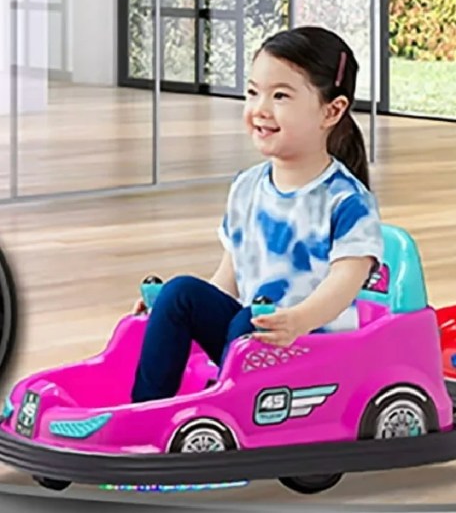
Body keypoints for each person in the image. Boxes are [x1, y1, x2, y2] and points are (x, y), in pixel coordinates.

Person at [130, 26, 383, 403]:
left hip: (311, 348)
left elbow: (343, 286)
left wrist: (298, 320)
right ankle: (146, 407)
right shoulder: (247, 187)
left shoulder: (346, 201)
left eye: (280, 95)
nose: (259, 109)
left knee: (250, 320)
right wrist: (166, 308)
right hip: (250, 339)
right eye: (253, 92)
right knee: (180, 292)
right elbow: (228, 278)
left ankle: (218, 402)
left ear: (332, 111)